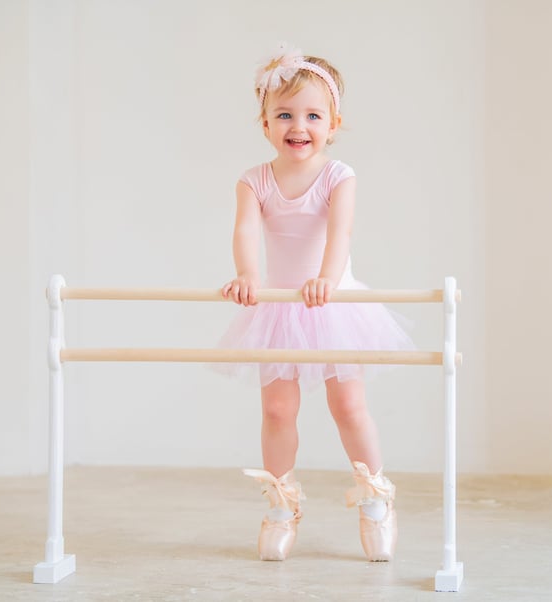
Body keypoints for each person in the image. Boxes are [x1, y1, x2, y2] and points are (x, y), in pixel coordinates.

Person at [220, 43, 413, 562]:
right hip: (280, 306)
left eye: (312, 115)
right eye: (284, 115)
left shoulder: (338, 176)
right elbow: (245, 232)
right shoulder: (253, 180)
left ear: (333, 124)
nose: (297, 126)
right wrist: (247, 276)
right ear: (264, 123)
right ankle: (282, 505)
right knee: (278, 409)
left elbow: (339, 234)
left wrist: (327, 280)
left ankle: (375, 499)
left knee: (348, 405)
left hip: (334, 303)